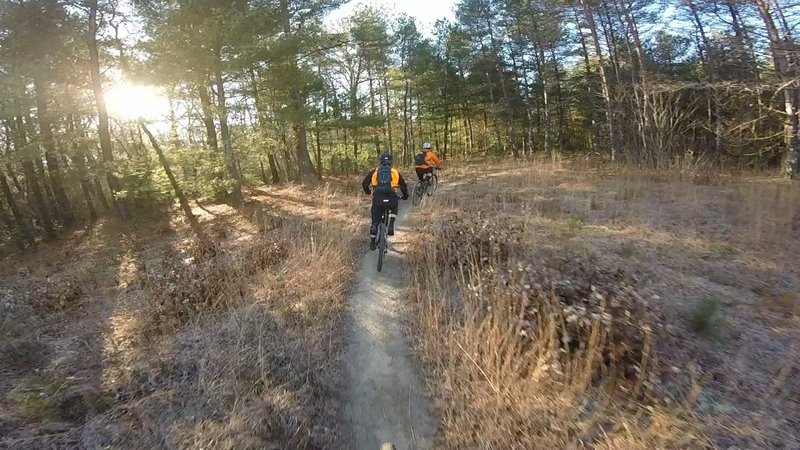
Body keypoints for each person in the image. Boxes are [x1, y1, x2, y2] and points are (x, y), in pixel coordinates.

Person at [362, 153, 409, 250]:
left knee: (375, 222)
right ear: (391, 162)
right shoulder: (395, 172)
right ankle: (391, 224)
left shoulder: (374, 171)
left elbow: (365, 183)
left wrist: (368, 192)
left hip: (378, 198)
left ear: (380, 162)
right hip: (391, 197)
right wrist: (405, 195)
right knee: (394, 206)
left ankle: (372, 241)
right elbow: (403, 186)